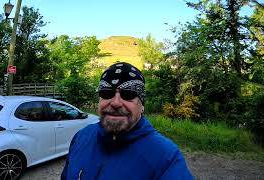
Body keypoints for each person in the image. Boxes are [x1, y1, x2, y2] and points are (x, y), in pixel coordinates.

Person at [61, 62, 193, 180]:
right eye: (107, 93)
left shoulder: (165, 157)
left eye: (128, 94)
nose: (116, 103)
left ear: (142, 105)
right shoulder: (81, 137)